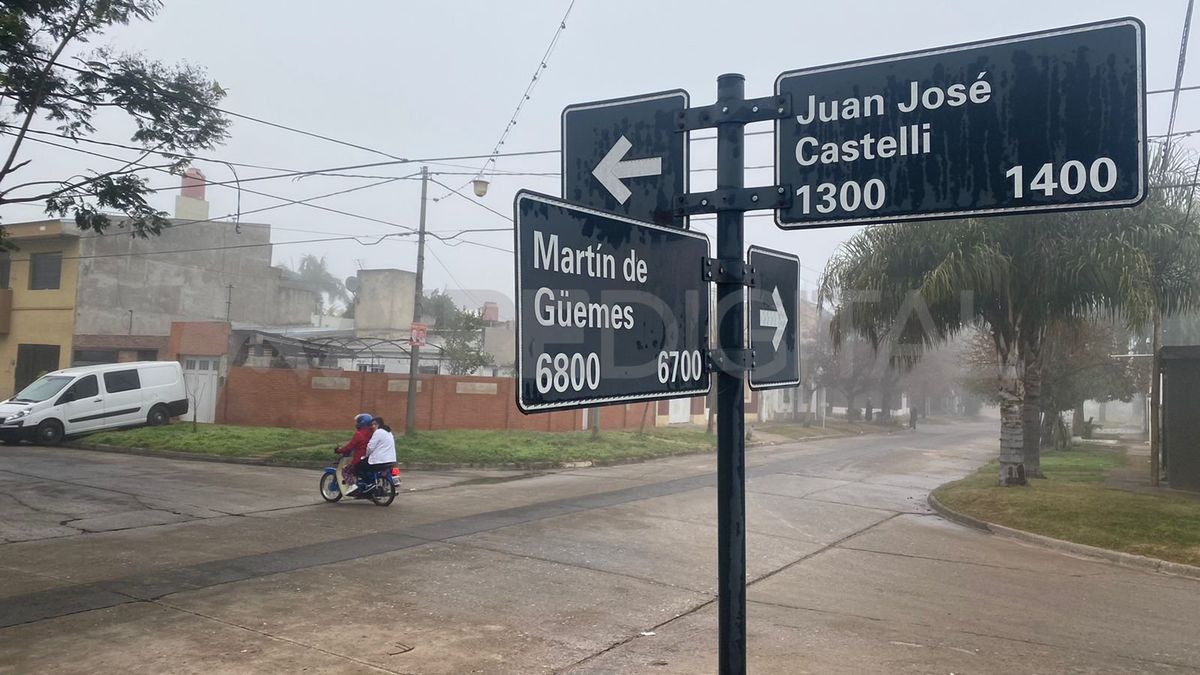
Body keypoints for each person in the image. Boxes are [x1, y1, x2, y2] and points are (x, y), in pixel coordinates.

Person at [336, 413, 374, 493]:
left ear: (361, 423)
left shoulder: (359, 434)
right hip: (371, 459)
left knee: (345, 470)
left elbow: (349, 447)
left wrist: (339, 450)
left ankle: (352, 486)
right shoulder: (373, 433)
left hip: (359, 460)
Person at [357, 416, 397, 487]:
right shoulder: (388, 432)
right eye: (372, 424)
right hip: (391, 459)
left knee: (358, 466)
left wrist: (366, 455)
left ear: (379, 424)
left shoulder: (378, 432)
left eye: (375, 424)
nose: (373, 426)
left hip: (380, 461)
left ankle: (369, 484)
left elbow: (370, 447)